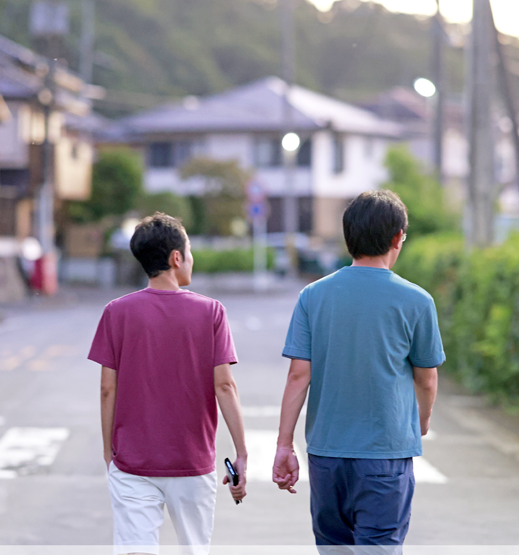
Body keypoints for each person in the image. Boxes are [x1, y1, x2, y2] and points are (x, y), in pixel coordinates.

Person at [272, 189, 445, 549]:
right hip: (386, 453)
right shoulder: (417, 301)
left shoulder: (313, 296)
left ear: (348, 237)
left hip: (326, 455)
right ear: (398, 238)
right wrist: (422, 420)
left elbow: (298, 376)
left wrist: (284, 444)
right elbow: (426, 379)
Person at [89, 213, 247, 555]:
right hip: (192, 462)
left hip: (133, 462)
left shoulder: (117, 312)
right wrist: (242, 452)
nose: (191, 259)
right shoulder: (211, 312)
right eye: (188, 251)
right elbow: (224, 387)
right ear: (177, 258)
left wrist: (108, 452)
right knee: (194, 548)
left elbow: (107, 389)